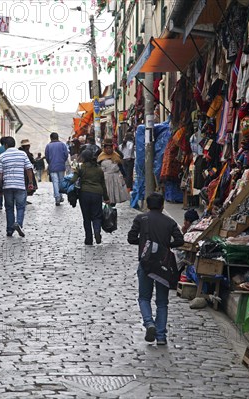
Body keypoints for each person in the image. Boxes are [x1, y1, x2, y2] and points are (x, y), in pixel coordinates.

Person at [127, 193, 184, 345]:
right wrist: (166, 246)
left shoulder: (141, 219)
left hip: (146, 263)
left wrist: (145, 243)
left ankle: (149, 323)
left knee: (144, 297)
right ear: (162, 205)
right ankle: (161, 336)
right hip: (164, 265)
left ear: (147, 204)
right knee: (162, 302)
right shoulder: (169, 222)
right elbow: (180, 240)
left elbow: (131, 238)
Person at [0, 136, 34, 237]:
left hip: (7, 186)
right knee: (20, 207)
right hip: (20, 185)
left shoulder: (2, 156)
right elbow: (29, 168)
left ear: (6, 145)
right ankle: (18, 223)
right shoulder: (22, 154)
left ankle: (9, 230)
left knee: (9, 208)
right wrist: (30, 182)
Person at [71, 150, 109, 245]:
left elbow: (73, 180)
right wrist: (106, 197)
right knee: (97, 216)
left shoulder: (81, 168)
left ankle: (88, 239)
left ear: (83, 158)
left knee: (86, 217)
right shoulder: (98, 169)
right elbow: (103, 184)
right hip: (97, 194)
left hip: (84, 194)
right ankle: (97, 231)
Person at [98, 138, 130, 205]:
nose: (109, 150)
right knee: (106, 192)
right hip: (105, 177)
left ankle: (112, 207)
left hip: (115, 178)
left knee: (114, 193)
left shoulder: (116, 155)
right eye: (107, 148)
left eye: (110, 148)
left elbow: (121, 164)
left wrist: (124, 175)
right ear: (104, 148)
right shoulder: (101, 156)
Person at [45, 132, 70, 206]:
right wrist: (62, 161)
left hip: (52, 166)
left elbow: (46, 157)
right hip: (61, 166)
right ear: (58, 137)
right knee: (61, 181)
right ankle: (61, 196)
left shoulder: (48, 146)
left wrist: (50, 163)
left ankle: (57, 198)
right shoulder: (63, 145)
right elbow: (66, 155)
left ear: (51, 138)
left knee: (55, 182)